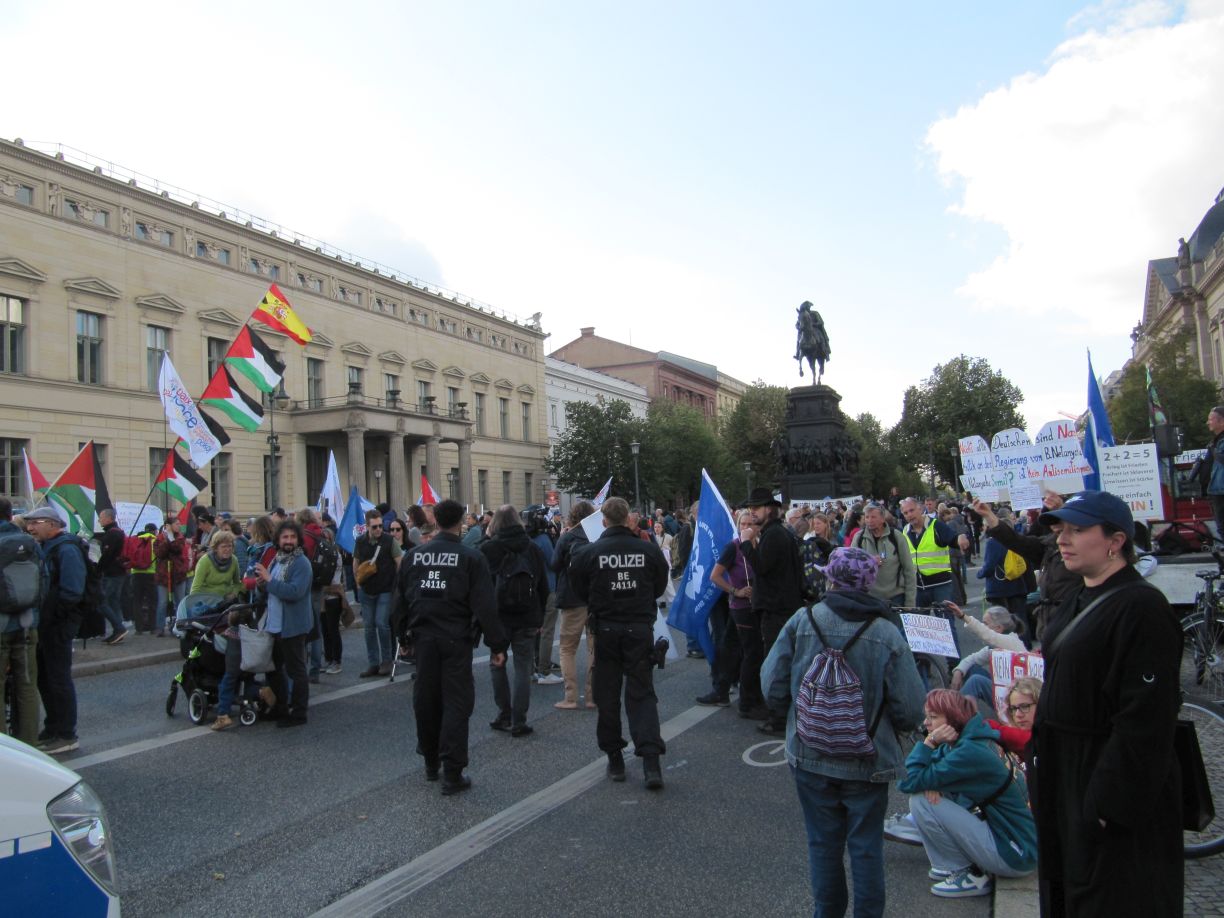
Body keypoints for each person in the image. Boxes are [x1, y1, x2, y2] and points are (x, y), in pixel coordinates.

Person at [1031, 490, 1182, 916]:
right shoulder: (1079, 594)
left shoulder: (1142, 608)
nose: (1063, 539)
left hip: (1099, 780)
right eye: (1062, 529)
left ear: (1115, 541)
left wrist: (1104, 807)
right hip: (1065, 776)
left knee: (1111, 896)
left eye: (1078, 530)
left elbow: (1145, 720)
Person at [761, 547, 926, 918]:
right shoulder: (886, 632)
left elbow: (771, 681)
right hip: (867, 757)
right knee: (866, 848)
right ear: (870, 585)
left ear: (830, 579)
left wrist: (793, 710)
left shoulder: (802, 621)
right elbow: (912, 707)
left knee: (822, 844)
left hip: (809, 751)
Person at [396, 499, 508, 794]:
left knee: (426, 700)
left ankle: (431, 762)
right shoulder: (470, 558)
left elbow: (401, 601)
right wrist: (497, 645)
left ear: (436, 522)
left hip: (423, 639)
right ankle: (452, 771)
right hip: (455, 639)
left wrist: (402, 637)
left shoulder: (414, 556)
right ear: (460, 522)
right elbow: (485, 605)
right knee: (457, 703)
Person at [570, 497, 670, 788]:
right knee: (642, 694)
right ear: (628, 519)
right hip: (639, 629)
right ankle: (651, 763)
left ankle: (615, 760)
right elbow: (659, 586)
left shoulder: (590, 553)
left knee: (608, 696)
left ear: (604, 521)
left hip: (607, 630)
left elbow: (579, 589)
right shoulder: (648, 550)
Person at [898, 689, 1037, 899]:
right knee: (929, 791)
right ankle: (952, 865)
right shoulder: (974, 737)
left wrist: (929, 743)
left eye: (933, 717)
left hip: (1015, 855)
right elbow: (923, 772)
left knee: (921, 802)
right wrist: (930, 779)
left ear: (953, 720)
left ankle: (967, 873)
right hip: (1021, 844)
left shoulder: (969, 752)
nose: (926, 723)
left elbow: (907, 780)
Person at [480, 505, 549, 736]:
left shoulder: (489, 548)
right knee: (523, 667)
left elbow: (483, 587)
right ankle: (520, 720)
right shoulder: (532, 548)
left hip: (499, 618)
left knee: (497, 664)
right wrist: (539, 617)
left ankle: (504, 714)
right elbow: (543, 587)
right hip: (527, 616)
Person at [739, 487, 803, 736]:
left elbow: (762, 567)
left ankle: (777, 717)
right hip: (783, 606)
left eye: (755, 508)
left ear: (769, 509)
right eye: (750, 508)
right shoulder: (776, 533)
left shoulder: (774, 535)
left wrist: (746, 544)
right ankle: (781, 712)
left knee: (775, 664)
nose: (752, 512)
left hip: (777, 609)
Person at [25, 507, 84, 755]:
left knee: (58, 678)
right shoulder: (48, 546)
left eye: (35, 522)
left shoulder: (66, 548)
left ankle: (66, 733)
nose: (30, 528)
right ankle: (52, 727)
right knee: (44, 677)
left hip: (58, 625)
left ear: (51, 524)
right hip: (47, 623)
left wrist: (53, 616)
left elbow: (72, 590)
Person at [253, 519, 314, 727]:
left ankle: (298, 713)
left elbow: (294, 592)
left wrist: (269, 581)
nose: (289, 541)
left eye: (292, 537)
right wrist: (261, 584)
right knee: (274, 669)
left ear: (298, 539)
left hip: (293, 625)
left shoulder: (301, 563)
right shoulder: (276, 560)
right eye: (285, 537)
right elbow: (267, 591)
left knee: (296, 670)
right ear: (278, 540)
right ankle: (279, 707)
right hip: (274, 624)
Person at [708, 509, 761, 713]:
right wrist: (735, 591)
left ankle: (721, 689)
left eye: (751, 524)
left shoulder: (761, 547)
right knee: (749, 651)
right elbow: (715, 576)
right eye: (743, 524)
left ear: (757, 527)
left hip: (759, 605)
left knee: (732, 647)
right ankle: (744, 699)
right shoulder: (733, 547)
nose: (746, 528)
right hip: (741, 606)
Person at [0, 498, 40, 746]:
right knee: (27, 686)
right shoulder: (31, 544)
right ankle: (30, 744)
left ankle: (5, 750)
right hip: (27, 624)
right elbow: (42, 583)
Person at [552, 501, 596, 711]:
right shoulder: (598, 535)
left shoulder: (568, 538)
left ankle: (570, 697)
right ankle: (591, 696)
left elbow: (554, 564)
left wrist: (562, 538)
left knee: (567, 648)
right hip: (595, 598)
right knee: (594, 648)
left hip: (571, 598)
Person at [946, 603, 1025, 712]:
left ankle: (954, 714)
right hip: (1008, 692)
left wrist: (963, 616)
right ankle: (962, 712)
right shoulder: (995, 646)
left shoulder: (1011, 641)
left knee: (976, 681)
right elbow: (972, 659)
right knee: (971, 669)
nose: (983, 626)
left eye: (985, 624)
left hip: (1019, 700)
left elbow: (986, 634)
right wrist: (958, 671)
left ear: (999, 628)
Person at [353, 508, 402, 677]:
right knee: (369, 627)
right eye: (374, 527)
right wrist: (358, 584)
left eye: (380, 526)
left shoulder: (389, 541)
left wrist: (397, 584)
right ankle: (373, 663)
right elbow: (356, 563)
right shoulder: (360, 542)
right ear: (367, 527)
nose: (379, 529)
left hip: (385, 589)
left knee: (382, 623)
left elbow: (399, 562)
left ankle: (387, 661)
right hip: (367, 589)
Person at [976, 508, 1030, 637]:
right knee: (1020, 619)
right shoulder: (1017, 538)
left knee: (1001, 622)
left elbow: (989, 566)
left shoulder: (993, 543)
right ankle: (1025, 648)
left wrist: (980, 573)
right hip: (1017, 584)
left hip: (999, 586)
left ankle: (1009, 650)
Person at [851, 503, 916, 608]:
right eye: (867, 517)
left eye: (873, 517)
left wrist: (909, 604)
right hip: (868, 598)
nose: (869, 520)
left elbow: (909, 570)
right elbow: (852, 567)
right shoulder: (859, 538)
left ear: (882, 519)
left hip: (896, 598)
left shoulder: (896, 537)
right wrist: (869, 562)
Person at [899, 497, 959, 607]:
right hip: (918, 587)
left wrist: (962, 539)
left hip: (940, 585)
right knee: (920, 623)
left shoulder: (936, 525)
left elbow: (954, 539)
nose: (909, 515)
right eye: (905, 513)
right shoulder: (905, 531)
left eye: (911, 510)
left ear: (920, 509)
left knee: (945, 622)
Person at [95, 508, 129, 644]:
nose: (99, 520)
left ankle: (119, 628)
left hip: (112, 573)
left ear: (109, 518)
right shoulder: (118, 532)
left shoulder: (112, 534)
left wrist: (97, 569)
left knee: (102, 602)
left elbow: (107, 556)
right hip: (119, 572)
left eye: (101, 517)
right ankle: (119, 630)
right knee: (114, 601)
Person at [154, 516, 190, 635]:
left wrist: (171, 538)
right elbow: (160, 553)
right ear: (168, 526)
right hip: (163, 575)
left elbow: (177, 549)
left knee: (179, 601)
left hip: (178, 574)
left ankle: (180, 625)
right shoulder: (159, 538)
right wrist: (166, 540)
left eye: (179, 524)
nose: (179, 526)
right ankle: (160, 627)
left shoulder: (180, 537)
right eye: (176, 524)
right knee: (162, 602)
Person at [188, 529, 241, 598]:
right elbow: (195, 588)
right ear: (215, 548)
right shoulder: (205, 561)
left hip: (227, 601)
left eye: (229, 546)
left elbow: (237, 583)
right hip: (208, 602)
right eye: (224, 546)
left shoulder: (234, 560)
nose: (228, 549)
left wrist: (234, 594)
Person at [129, 523, 159, 634]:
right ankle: (152, 628)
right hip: (151, 574)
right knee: (152, 602)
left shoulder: (136, 540)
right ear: (154, 531)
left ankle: (138, 629)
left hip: (136, 573)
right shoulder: (154, 541)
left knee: (137, 601)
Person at [1208, 406, 1224, 541]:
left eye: (1211, 419)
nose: (1208, 422)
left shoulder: (1218, 443)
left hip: (1221, 490)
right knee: (1221, 527)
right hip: (1217, 490)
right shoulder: (1216, 441)